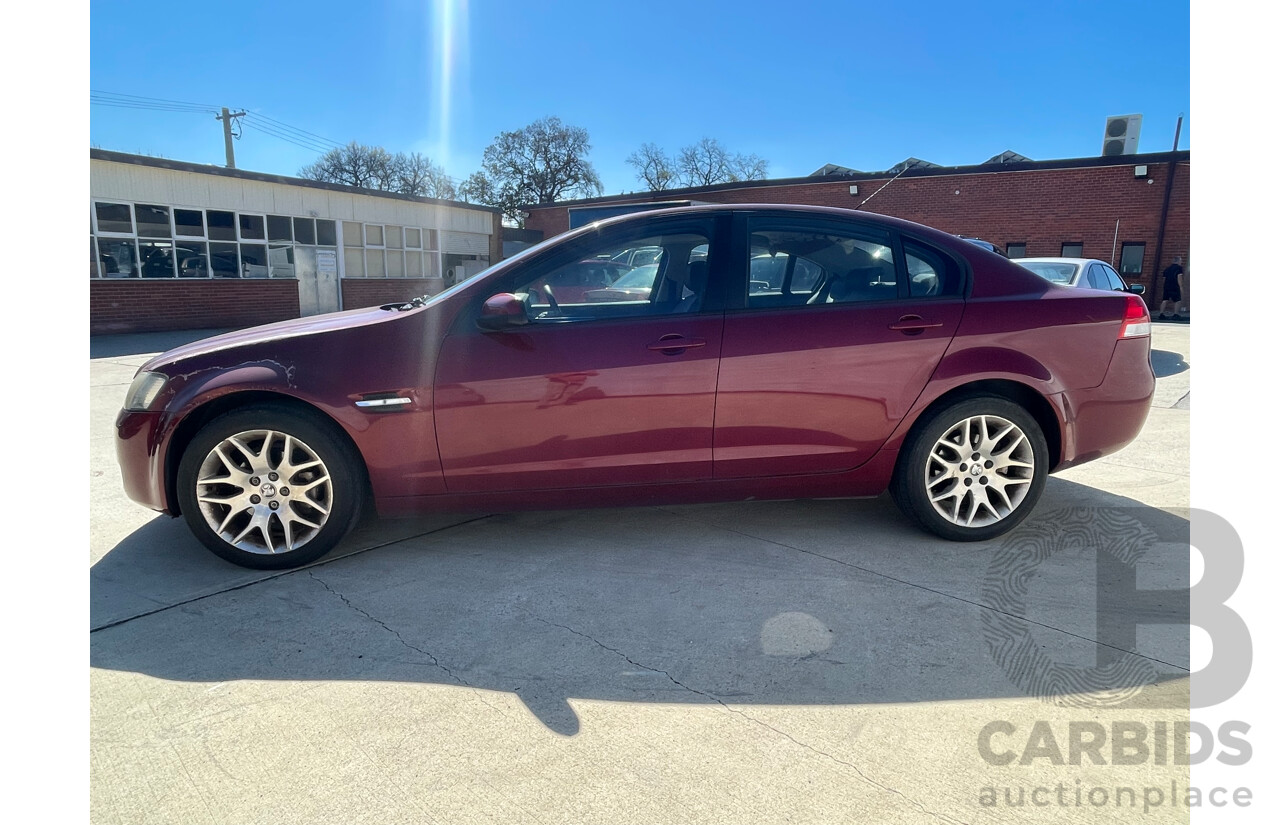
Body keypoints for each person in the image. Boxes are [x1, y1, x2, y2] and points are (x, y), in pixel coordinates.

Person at [1159, 256, 1187, 321]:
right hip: (1175, 286)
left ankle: (1161, 314)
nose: (1181, 262)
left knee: (1165, 300)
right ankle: (1176, 314)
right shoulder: (1179, 268)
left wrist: (1164, 287)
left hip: (1167, 286)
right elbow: (1179, 278)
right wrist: (1181, 287)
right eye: (1180, 261)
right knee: (1178, 301)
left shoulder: (1167, 269)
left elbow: (1164, 279)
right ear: (1178, 261)